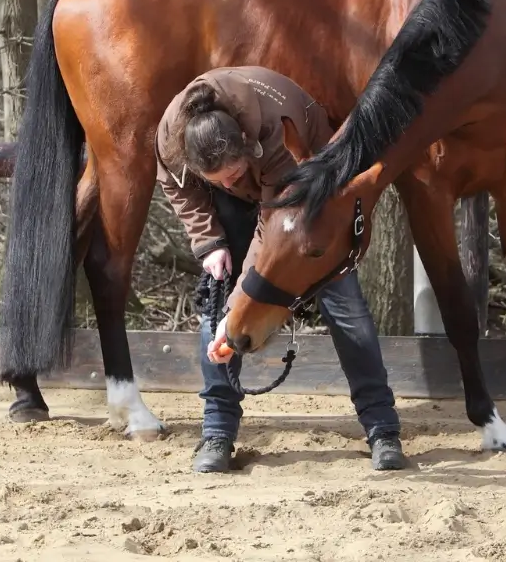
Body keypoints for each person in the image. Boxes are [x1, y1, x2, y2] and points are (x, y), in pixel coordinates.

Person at [154, 66, 405, 473]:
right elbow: (177, 187)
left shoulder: (272, 134)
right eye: (218, 179)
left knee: (343, 301)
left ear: (244, 144)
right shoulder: (170, 138)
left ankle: (382, 428)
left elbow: (271, 231)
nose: (229, 181)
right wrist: (208, 242)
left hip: (304, 189)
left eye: (233, 173)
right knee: (217, 295)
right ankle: (217, 432)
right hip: (241, 198)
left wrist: (239, 307)